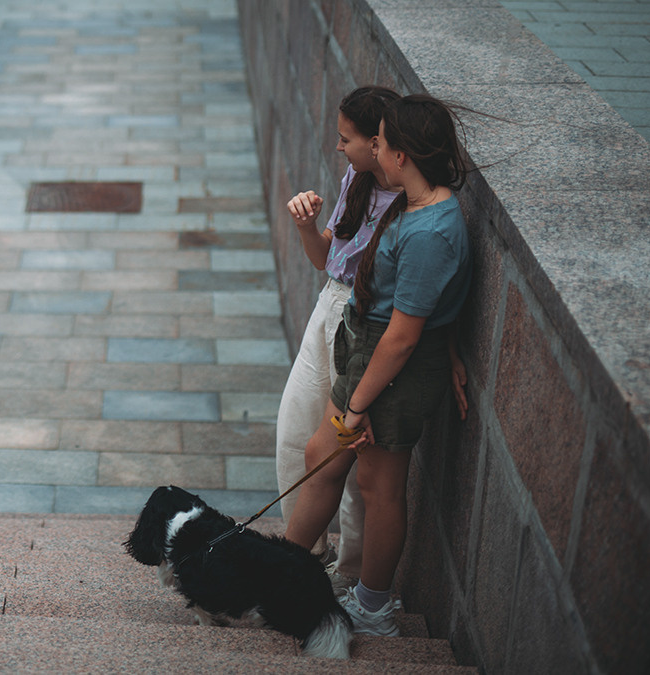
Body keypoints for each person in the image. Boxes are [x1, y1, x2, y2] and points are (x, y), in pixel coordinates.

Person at [282, 94, 474, 637]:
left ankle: (373, 606)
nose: (374, 149)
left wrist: (359, 406)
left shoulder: (431, 230)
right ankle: (283, 575)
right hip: (369, 348)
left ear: (402, 156)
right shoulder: (413, 207)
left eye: (382, 142)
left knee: (379, 485)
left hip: (391, 366)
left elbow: (406, 334)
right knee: (322, 455)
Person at [275, 86, 401, 595]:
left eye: (345, 139)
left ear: (379, 143)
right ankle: (307, 552)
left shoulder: (414, 202)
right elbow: (326, 259)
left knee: (352, 461)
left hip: (368, 324)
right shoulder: (359, 176)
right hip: (331, 305)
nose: (337, 148)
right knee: (294, 435)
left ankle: (350, 575)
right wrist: (307, 226)